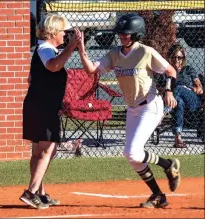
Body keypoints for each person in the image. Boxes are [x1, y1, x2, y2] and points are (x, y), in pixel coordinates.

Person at [76, 13, 181, 208]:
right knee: (131, 156)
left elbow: (170, 71)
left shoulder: (145, 52)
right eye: (121, 34)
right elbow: (92, 69)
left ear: (136, 34)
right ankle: (159, 194)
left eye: (126, 34)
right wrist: (82, 49)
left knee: (133, 152)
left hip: (150, 105)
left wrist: (169, 90)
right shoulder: (115, 54)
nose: (122, 37)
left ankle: (168, 165)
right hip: (132, 109)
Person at [20, 13, 81, 209]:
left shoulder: (42, 49)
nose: (65, 35)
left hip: (39, 105)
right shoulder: (46, 49)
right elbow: (53, 66)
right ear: (53, 32)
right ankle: (31, 192)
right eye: (63, 31)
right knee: (48, 150)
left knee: (39, 151)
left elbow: (33, 78)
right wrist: (72, 47)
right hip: (43, 107)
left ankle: (40, 193)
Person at [166, 43, 204, 148]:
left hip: (192, 101)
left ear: (183, 58)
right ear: (169, 57)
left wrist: (189, 89)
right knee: (178, 100)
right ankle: (178, 138)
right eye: (173, 57)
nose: (176, 60)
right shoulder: (166, 71)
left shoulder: (188, 70)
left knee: (178, 88)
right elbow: (160, 88)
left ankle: (166, 110)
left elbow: (199, 89)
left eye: (179, 57)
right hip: (175, 101)